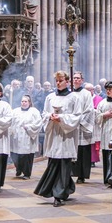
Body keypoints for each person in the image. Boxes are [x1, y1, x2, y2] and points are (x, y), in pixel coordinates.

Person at [34, 71, 81, 207]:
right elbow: (44, 113)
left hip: (66, 135)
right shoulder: (50, 97)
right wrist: (50, 116)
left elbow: (77, 116)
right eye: (56, 81)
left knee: (64, 164)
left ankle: (59, 195)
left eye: (61, 80)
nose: (58, 83)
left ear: (67, 81)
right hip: (54, 134)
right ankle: (65, 187)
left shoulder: (74, 98)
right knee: (54, 163)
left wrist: (61, 118)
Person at [10, 95, 42, 180]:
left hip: (27, 136)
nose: (23, 103)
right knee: (15, 154)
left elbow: (38, 123)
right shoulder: (15, 111)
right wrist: (11, 130)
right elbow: (10, 122)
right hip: (16, 137)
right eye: (22, 101)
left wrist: (28, 127)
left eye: (25, 101)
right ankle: (18, 169)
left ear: (29, 103)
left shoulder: (34, 111)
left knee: (26, 156)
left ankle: (27, 173)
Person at [71, 71, 95, 184]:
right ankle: (71, 172)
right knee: (71, 150)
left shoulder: (86, 93)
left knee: (82, 151)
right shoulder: (68, 93)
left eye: (78, 78)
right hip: (70, 127)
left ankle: (81, 175)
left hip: (81, 126)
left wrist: (78, 120)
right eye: (74, 78)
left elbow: (89, 110)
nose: (75, 80)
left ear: (82, 80)